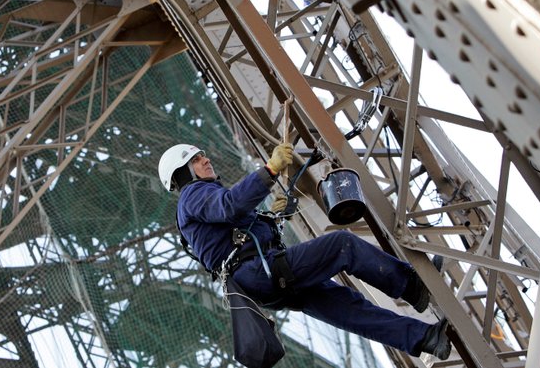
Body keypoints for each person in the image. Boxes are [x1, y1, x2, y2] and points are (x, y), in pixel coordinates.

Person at [158, 142, 452, 360]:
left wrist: (268, 219)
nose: (206, 159)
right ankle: (410, 286)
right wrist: (270, 170)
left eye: (202, 155)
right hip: (263, 272)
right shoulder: (194, 195)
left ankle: (426, 338)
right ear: (183, 173)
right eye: (196, 160)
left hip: (262, 281)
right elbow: (231, 204)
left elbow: (233, 232)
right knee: (341, 245)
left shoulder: (194, 208)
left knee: (349, 309)